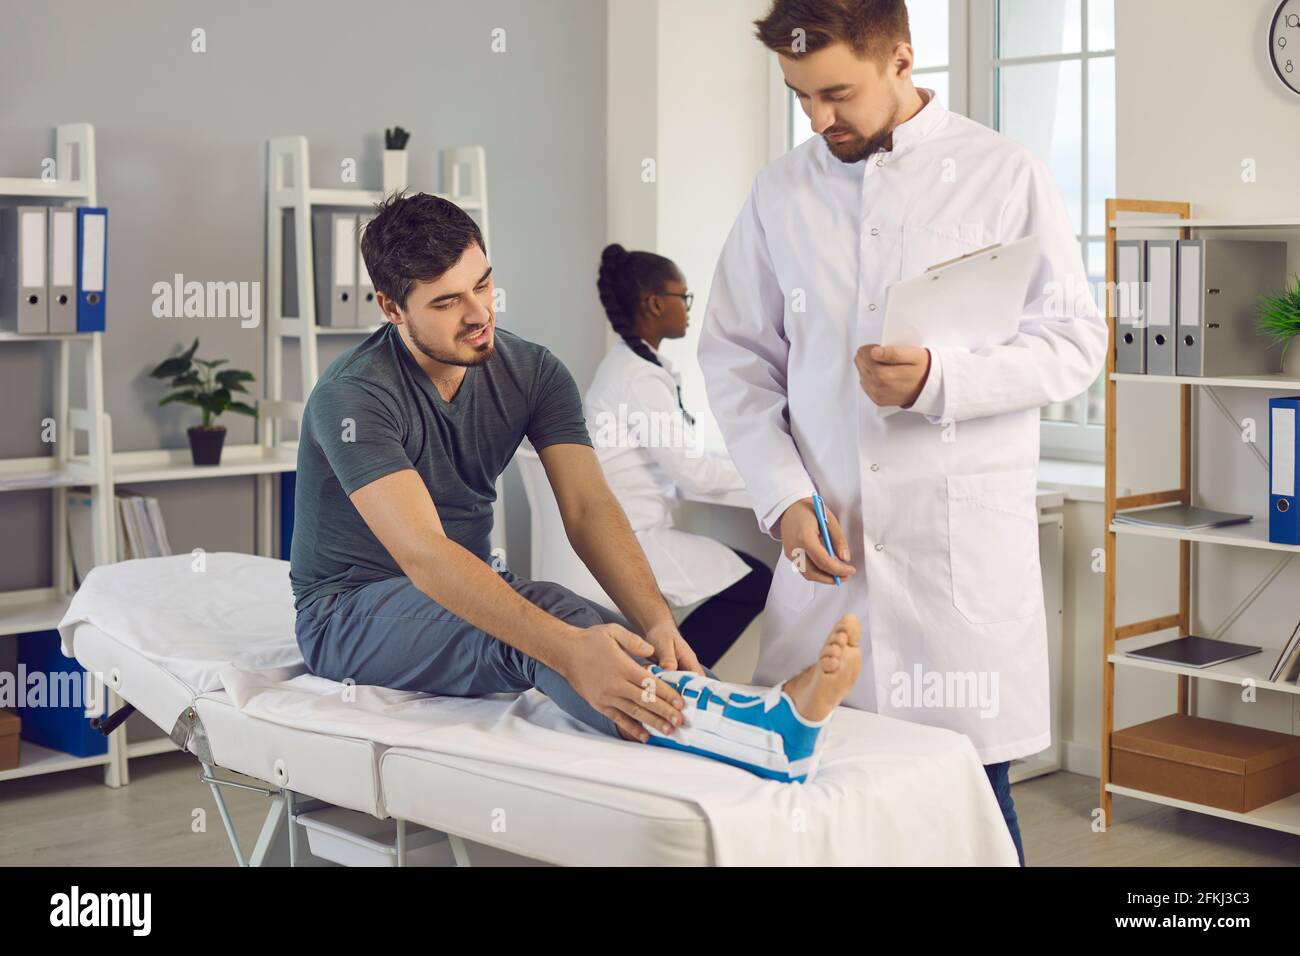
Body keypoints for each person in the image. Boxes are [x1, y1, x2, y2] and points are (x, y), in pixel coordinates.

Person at [698, 0, 1107, 859]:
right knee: (822, 812)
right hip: (829, 556)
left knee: (973, 811)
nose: (818, 119)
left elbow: (1075, 343)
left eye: (836, 93)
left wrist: (940, 379)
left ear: (901, 61)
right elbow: (736, 360)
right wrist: (783, 500)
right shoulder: (780, 192)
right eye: (800, 97)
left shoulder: (1003, 173)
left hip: (956, 571)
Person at [288, 190, 862, 783]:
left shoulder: (532, 371)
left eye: (483, 284)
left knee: (609, 632)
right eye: (447, 302)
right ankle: (757, 737)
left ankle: (757, 719)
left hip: (466, 581)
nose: (480, 313)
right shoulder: (352, 396)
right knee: (538, 637)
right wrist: (562, 649)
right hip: (349, 612)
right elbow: (425, 554)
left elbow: (588, 508)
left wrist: (658, 622)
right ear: (391, 307)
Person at [585, 243, 772, 668]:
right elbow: (693, 475)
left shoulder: (630, 367)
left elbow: (678, 457)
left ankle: (666, 672)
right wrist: (769, 472)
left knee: (749, 580)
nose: (688, 308)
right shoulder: (639, 378)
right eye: (682, 297)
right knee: (756, 582)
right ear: (654, 304)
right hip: (633, 538)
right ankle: (674, 675)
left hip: (624, 530)